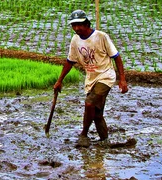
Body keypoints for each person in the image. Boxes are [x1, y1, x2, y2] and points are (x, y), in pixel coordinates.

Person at [53, 9, 127, 148]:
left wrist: (122, 79)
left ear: (86, 23)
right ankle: (105, 141)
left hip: (106, 76)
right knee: (97, 113)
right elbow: (70, 61)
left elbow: (116, 57)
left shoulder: (101, 36)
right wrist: (59, 80)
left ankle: (84, 134)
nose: (76, 28)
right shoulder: (75, 40)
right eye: (74, 25)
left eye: (79, 25)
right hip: (91, 78)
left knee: (89, 103)